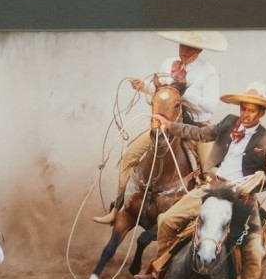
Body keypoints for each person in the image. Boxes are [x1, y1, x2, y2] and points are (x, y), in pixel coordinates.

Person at [132, 82, 266, 279]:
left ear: (261, 113)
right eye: (244, 108)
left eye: (252, 110)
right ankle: (158, 275)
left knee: (255, 251)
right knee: (166, 220)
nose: (246, 114)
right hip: (214, 187)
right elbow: (200, 134)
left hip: (243, 199)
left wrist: (262, 178)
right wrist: (169, 125)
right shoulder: (227, 123)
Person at [94, 30, 226, 225]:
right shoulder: (168, 64)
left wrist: (181, 94)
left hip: (195, 128)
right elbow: (160, 92)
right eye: (182, 45)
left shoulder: (208, 71)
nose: (184, 50)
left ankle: (203, 221)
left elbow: (211, 106)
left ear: (199, 49)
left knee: (208, 173)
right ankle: (119, 209)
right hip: (164, 125)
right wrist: (145, 86)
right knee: (130, 156)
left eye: (189, 47)